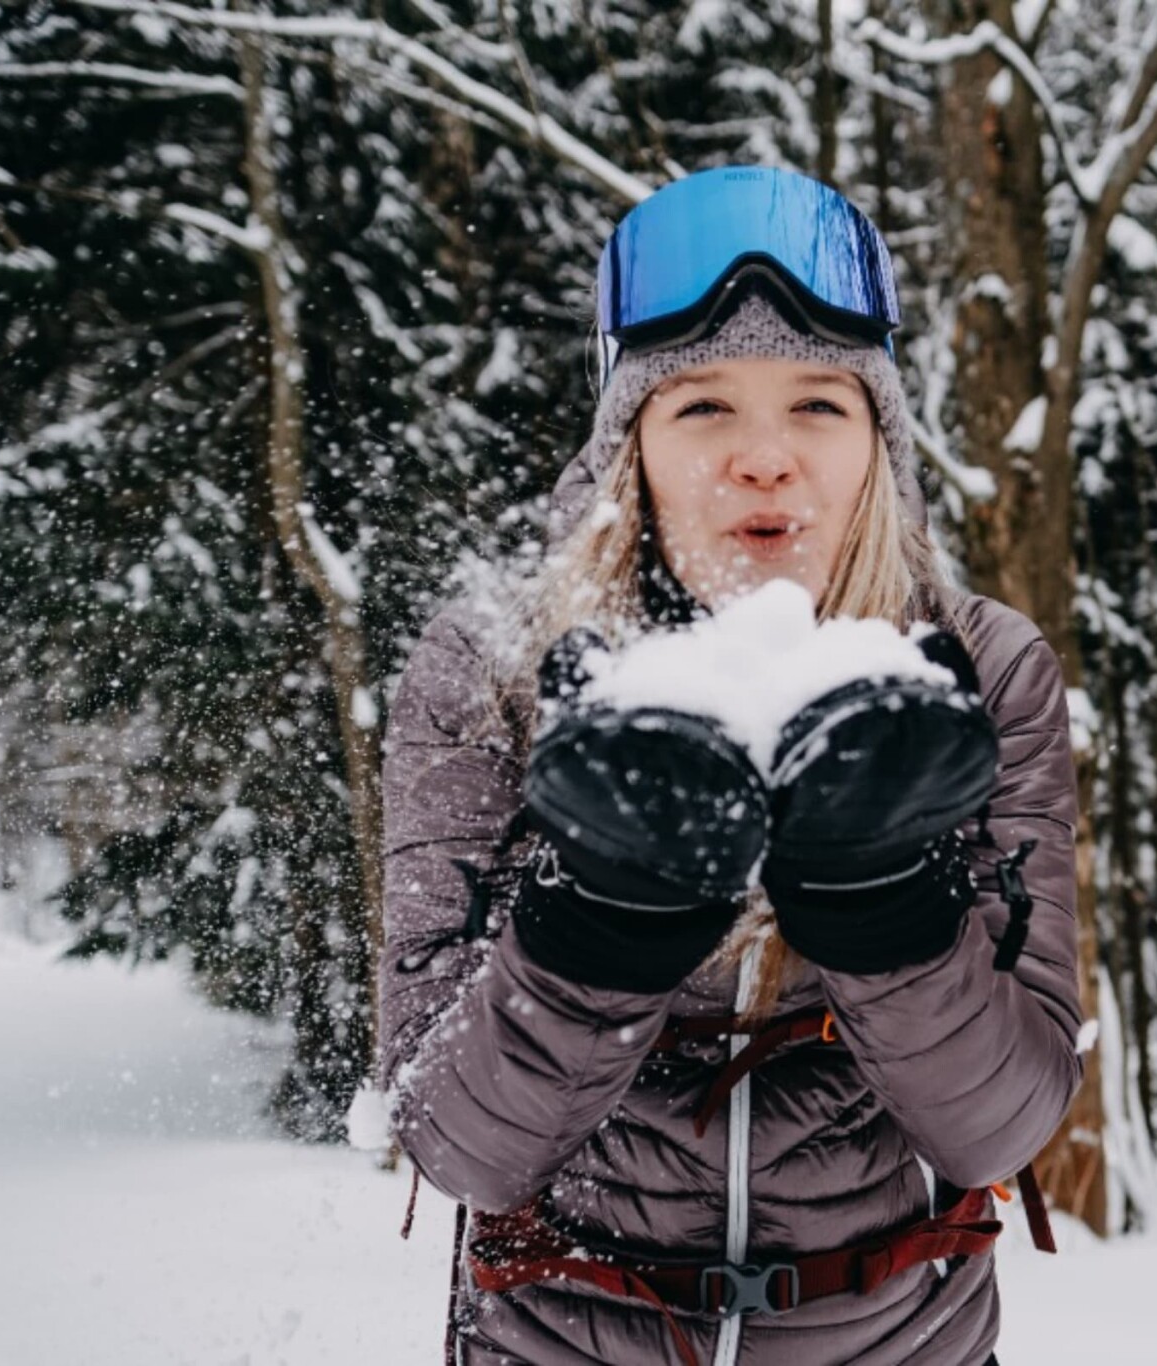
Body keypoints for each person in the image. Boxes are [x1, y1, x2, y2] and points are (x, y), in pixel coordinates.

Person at [380, 165, 1082, 1366]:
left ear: (879, 446)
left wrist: (885, 912)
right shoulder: (489, 675)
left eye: (818, 404)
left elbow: (1000, 1125)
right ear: (628, 449)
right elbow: (455, 1144)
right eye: (701, 407)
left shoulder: (978, 671)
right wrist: (598, 925)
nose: (764, 458)